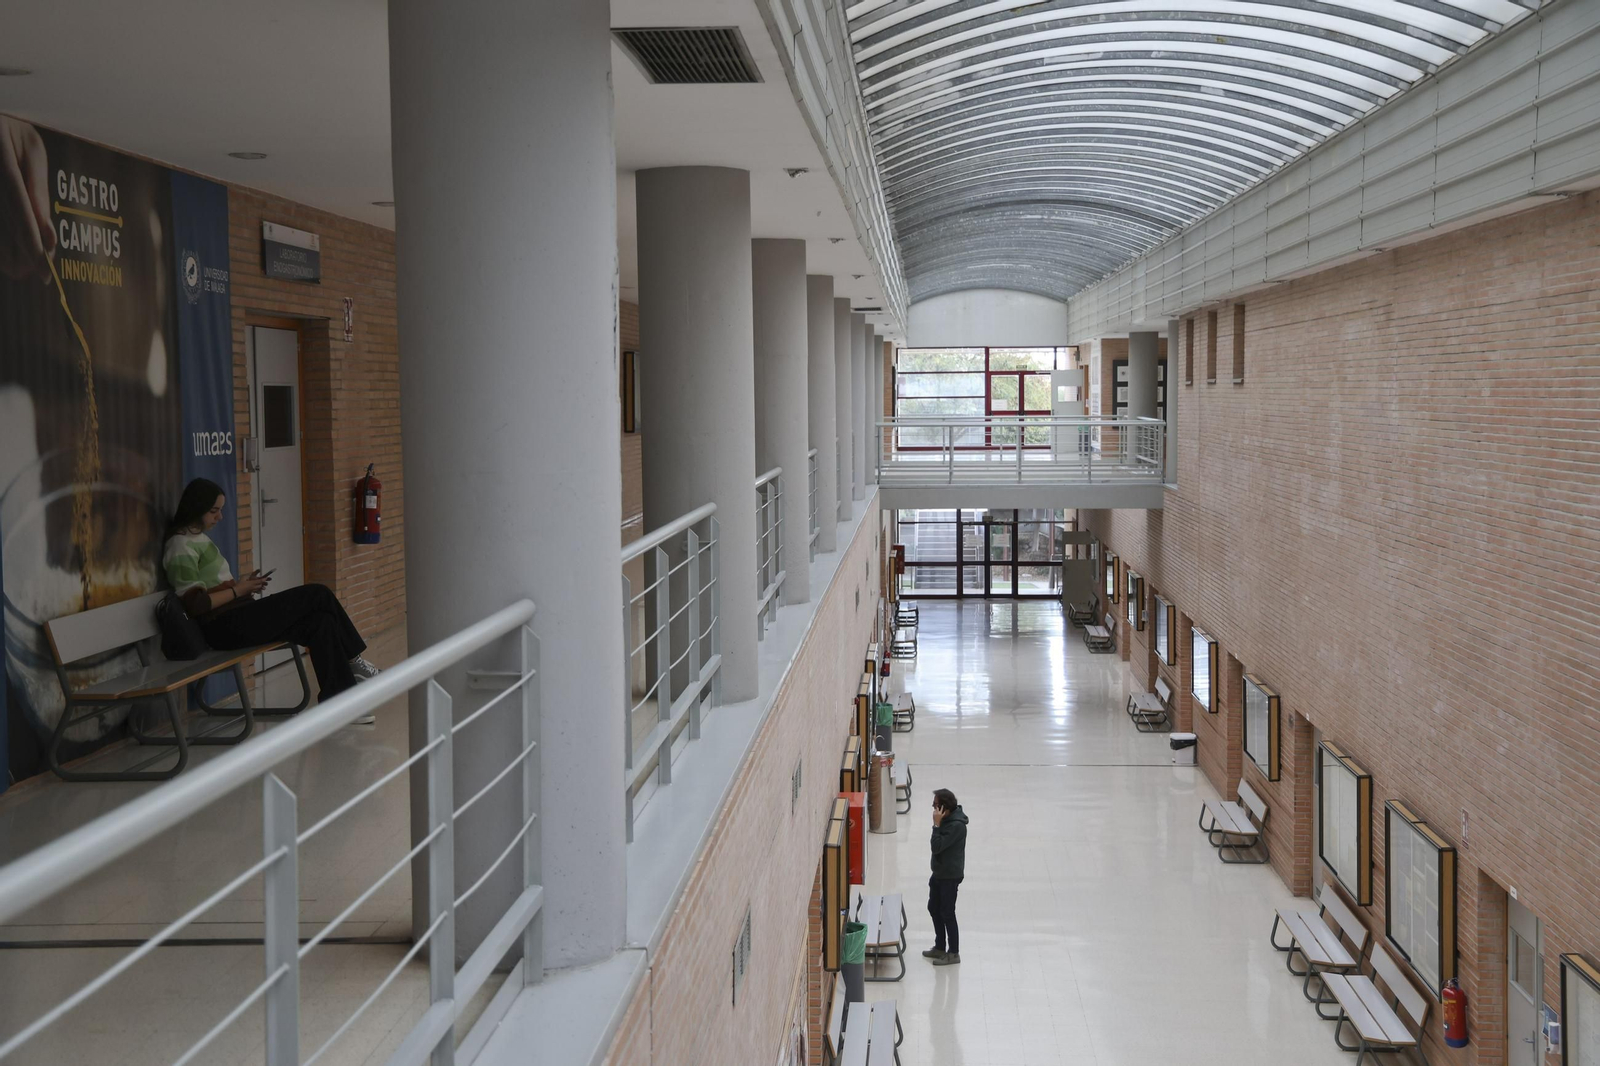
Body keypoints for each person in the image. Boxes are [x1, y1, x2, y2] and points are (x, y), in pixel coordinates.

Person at [162, 478, 381, 715]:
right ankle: (354, 659)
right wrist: (238, 590)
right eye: (214, 511)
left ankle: (339, 703)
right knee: (318, 593)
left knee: (321, 622)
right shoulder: (180, 545)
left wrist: (243, 585)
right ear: (196, 507)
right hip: (223, 627)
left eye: (221, 510)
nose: (220, 517)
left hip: (237, 614)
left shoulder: (197, 538)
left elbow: (212, 588)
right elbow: (196, 604)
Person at [924, 787, 968, 965]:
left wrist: (936, 826)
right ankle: (940, 946)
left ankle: (954, 952)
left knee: (947, 913)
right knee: (933, 908)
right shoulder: (947, 820)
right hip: (939, 873)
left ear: (944, 808)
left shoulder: (956, 826)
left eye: (935, 805)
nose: (933, 808)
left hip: (949, 876)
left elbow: (936, 846)